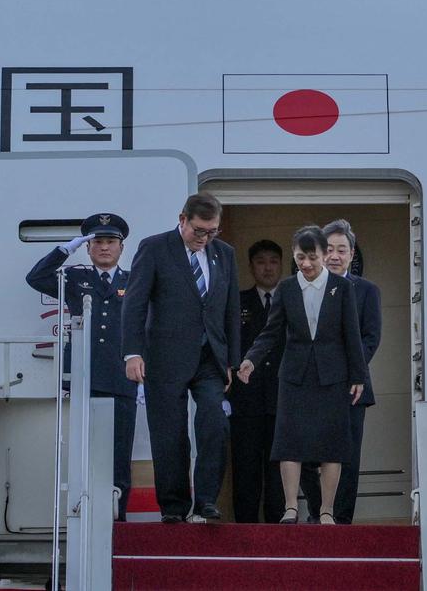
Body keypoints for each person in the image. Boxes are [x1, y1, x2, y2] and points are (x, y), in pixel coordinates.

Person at [120, 193, 240, 524]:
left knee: (214, 423)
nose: (204, 238)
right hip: (165, 356)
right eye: (199, 230)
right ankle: (173, 506)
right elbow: (135, 303)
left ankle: (206, 502)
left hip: (210, 357)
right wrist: (133, 352)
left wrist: (231, 359)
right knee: (170, 433)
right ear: (183, 219)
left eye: (212, 231)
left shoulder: (224, 254)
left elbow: (230, 309)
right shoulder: (155, 247)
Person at [237, 225, 367, 525]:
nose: (306, 264)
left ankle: (326, 511)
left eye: (311, 257)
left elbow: (352, 335)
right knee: (289, 441)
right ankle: (291, 507)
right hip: (294, 374)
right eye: (299, 257)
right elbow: (271, 332)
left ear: (323, 255)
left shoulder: (342, 288)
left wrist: (359, 376)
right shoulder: (286, 288)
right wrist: (250, 360)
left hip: (332, 375)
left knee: (331, 445)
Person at [25, 213, 138, 520]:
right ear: (88, 248)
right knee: (83, 452)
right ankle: (82, 514)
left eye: (110, 242)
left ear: (121, 247)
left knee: (118, 453)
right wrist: (65, 249)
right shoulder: (75, 277)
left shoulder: (133, 280)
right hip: (82, 375)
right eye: (97, 242)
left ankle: (118, 517)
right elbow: (35, 278)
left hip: (121, 378)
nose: (104, 248)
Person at [301, 219, 382, 524]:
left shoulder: (367, 291)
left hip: (351, 387)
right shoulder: (302, 287)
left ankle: (341, 521)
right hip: (310, 388)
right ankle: (317, 511)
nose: (335, 256)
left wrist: (346, 369)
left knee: (346, 459)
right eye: (329, 249)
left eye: (342, 250)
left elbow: (371, 338)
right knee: (307, 455)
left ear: (351, 255)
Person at [227, 240, 287, 523]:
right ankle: (245, 530)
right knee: (246, 465)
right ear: (251, 266)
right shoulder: (237, 302)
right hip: (245, 399)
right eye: (261, 261)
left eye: (273, 261)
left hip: (282, 398)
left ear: (282, 265)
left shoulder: (292, 300)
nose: (267, 267)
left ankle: (278, 528)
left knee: (278, 468)